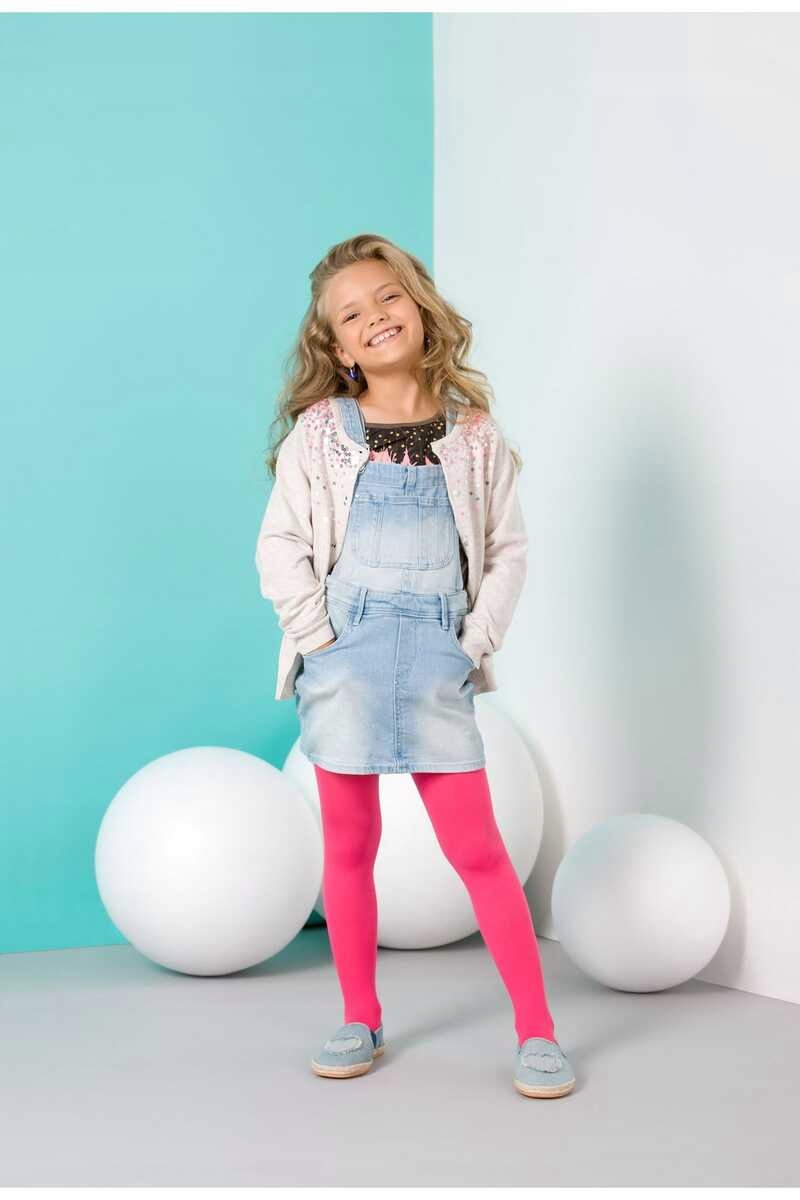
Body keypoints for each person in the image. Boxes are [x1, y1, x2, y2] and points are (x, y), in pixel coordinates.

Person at [254, 234, 575, 1098]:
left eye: (387, 297)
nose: (375, 317)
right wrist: (318, 639)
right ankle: (360, 1016)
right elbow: (280, 544)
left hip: (437, 651)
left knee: (478, 849)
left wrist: (472, 643)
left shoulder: (474, 438)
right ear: (339, 349)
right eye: (352, 314)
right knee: (350, 842)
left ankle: (538, 1030)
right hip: (345, 653)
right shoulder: (321, 436)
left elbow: (506, 550)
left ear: (420, 308)